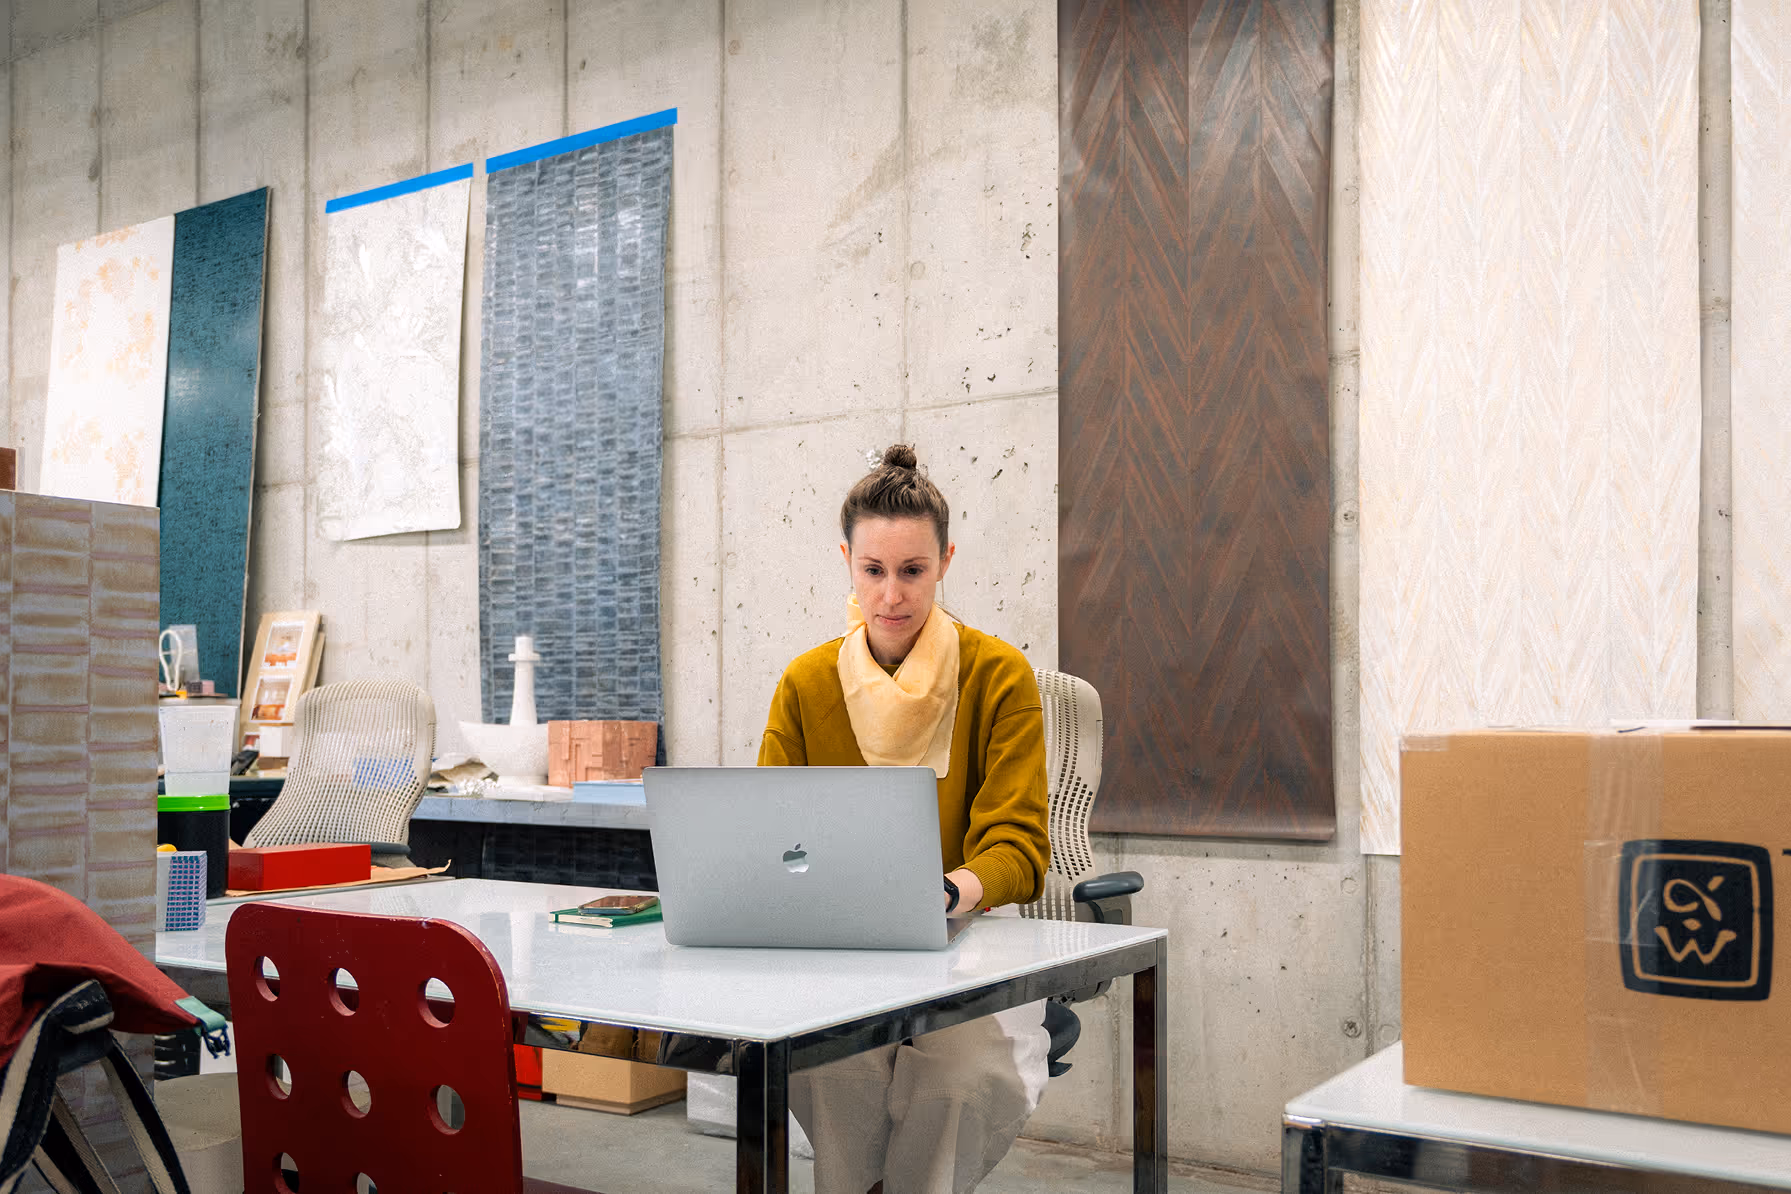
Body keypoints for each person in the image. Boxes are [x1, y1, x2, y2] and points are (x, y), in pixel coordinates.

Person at [757, 443, 1053, 1194]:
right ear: (847, 562)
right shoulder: (805, 682)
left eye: (912, 571)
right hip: (847, 947)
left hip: (971, 937)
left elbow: (1018, 847)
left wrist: (948, 892)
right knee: (828, 1069)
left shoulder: (997, 675)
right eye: (873, 570)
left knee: (953, 1079)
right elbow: (768, 833)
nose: (891, 595)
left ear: (945, 561)